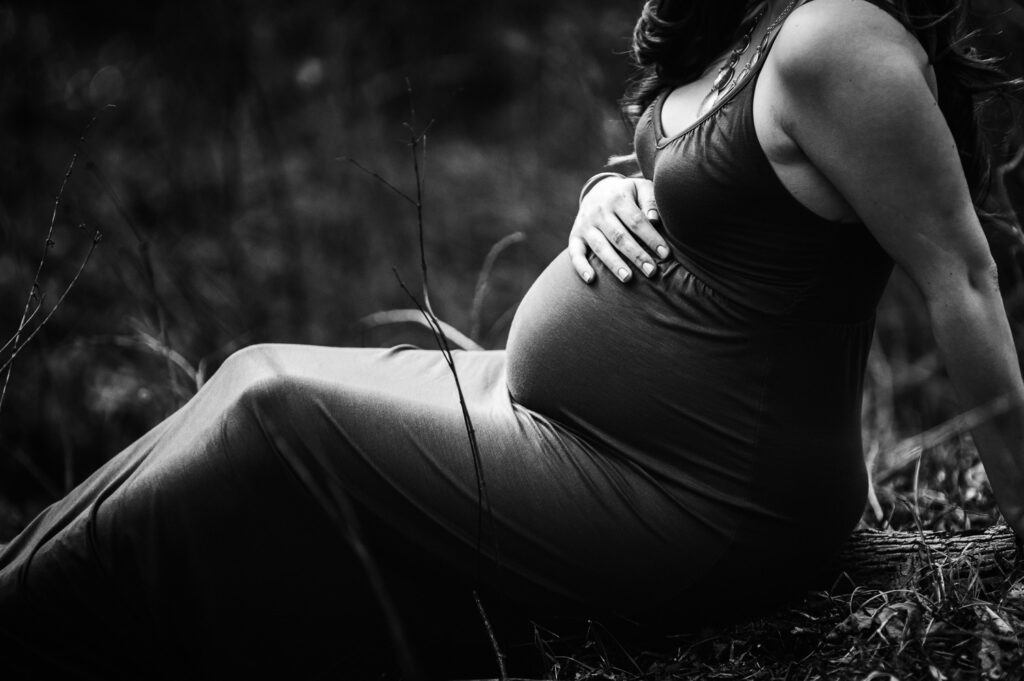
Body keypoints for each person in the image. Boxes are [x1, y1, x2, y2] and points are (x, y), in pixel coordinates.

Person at [2, 0, 1023, 678]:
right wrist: (605, 191)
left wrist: (1019, 534)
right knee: (245, 376)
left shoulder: (837, 36)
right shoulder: (750, 18)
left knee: (276, 410)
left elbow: (963, 277)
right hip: (584, 429)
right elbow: (735, 193)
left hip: (701, 493)